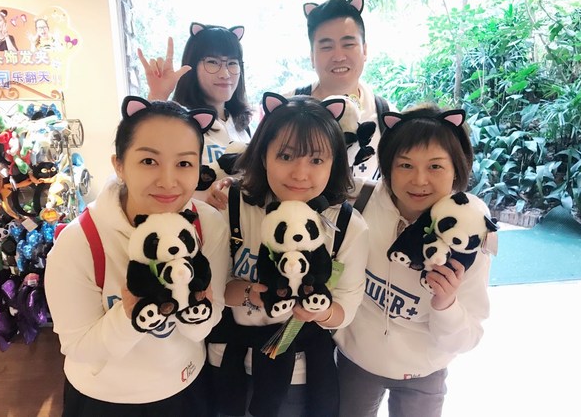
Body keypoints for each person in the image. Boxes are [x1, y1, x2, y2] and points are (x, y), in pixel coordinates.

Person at [45, 96, 230, 416]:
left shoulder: (207, 225)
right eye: (148, 161)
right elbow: (78, 348)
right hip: (104, 400)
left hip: (186, 386)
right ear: (119, 165)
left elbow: (205, 324)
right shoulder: (79, 242)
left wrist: (194, 310)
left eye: (184, 164)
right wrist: (131, 316)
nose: (168, 181)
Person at [206, 92, 369, 417]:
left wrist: (319, 311)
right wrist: (253, 293)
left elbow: (346, 309)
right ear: (263, 154)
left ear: (334, 162)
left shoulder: (346, 226)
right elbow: (211, 289)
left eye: (316, 160)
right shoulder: (232, 205)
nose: (300, 174)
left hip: (299, 372)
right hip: (227, 361)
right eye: (285, 156)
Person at [333, 103, 495, 417]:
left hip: (424, 372)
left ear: (457, 168)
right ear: (387, 166)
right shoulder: (360, 203)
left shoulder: (469, 236)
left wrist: (446, 304)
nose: (419, 180)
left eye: (435, 166)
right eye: (405, 165)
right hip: (356, 360)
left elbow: (468, 338)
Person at [138, 23, 253, 199]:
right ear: (192, 66)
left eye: (232, 63)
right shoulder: (180, 122)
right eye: (212, 62)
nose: (225, 73)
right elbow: (143, 158)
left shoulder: (242, 127)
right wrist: (157, 95)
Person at [285, 0, 392, 181]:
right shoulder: (283, 108)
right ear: (312, 56)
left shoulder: (387, 116)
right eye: (326, 47)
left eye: (348, 44)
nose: (339, 56)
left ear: (365, 50)